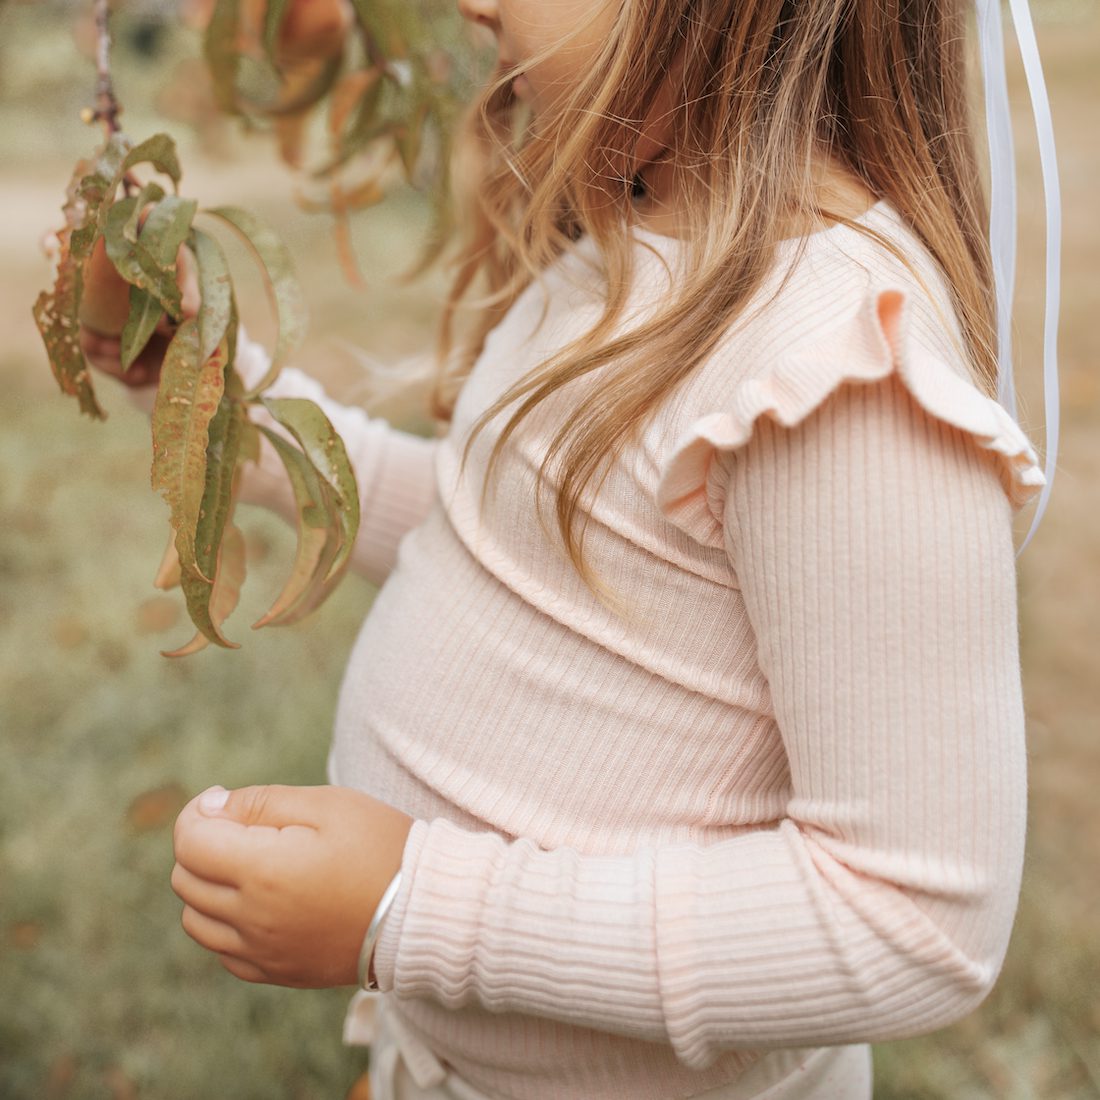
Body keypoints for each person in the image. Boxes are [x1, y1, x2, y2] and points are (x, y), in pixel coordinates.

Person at [79, 0, 1051, 1096]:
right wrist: (204, 383)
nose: (470, 3)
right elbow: (482, 535)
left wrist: (418, 906)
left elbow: (910, 921)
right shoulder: (632, 241)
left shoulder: (836, 379)